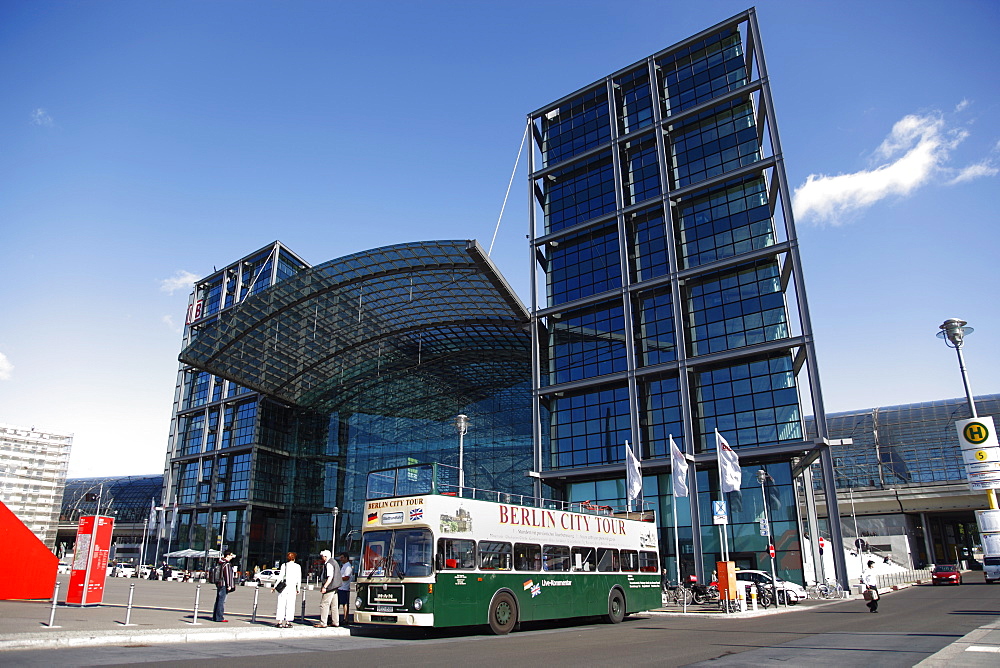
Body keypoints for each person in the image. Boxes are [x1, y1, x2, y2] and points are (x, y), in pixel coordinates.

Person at [274, 551, 302, 628]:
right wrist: (298, 588)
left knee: (281, 603)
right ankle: (288, 621)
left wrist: (275, 586)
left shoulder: (284, 565)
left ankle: (279, 621)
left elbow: (280, 577)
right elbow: (298, 578)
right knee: (290, 604)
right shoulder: (297, 566)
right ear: (294, 558)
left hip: (284, 587)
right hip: (292, 587)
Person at [315, 550, 338, 628]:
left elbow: (330, 577)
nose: (322, 558)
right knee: (334, 605)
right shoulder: (334, 562)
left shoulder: (329, 564)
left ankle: (323, 622)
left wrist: (325, 587)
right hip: (335, 586)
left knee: (324, 604)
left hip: (330, 587)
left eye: (323, 556)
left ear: (326, 556)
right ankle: (335, 621)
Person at [212, 551, 237, 622]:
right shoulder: (226, 564)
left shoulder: (220, 563)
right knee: (221, 601)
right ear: (228, 555)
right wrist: (229, 585)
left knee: (218, 600)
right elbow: (227, 576)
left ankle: (215, 616)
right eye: (231, 555)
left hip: (219, 583)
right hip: (224, 584)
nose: (232, 556)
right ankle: (219, 617)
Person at [336, 552, 353, 625]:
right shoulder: (343, 566)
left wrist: (338, 578)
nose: (341, 559)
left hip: (344, 588)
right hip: (340, 587)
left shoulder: (348, 567)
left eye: (342, 557)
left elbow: (346, 577)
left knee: (344, 603)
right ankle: (335, 617)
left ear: (346, 558)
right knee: (337, 603)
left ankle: (346, 618)